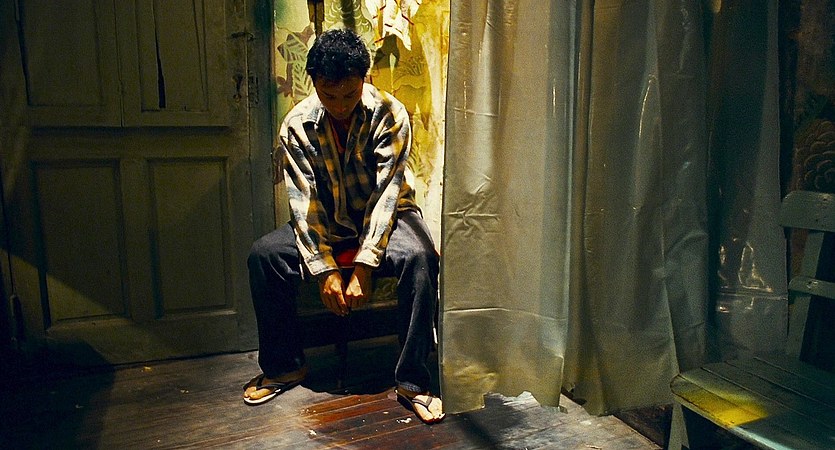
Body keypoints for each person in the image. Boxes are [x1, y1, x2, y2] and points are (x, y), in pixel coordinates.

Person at [242, 28, 444, 424]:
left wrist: (365, 266)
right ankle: (285, 366)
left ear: (364, 79)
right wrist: (325, 270)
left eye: (349, 95)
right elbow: (304, 204)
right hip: (328, 220)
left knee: (421, 256)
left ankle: (414, 381)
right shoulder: (297, 124)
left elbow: (387, 195)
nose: (339, 106)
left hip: (390, 216)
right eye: (328, 96)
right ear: (314, 83)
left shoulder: (390, 113)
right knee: (264, 256)